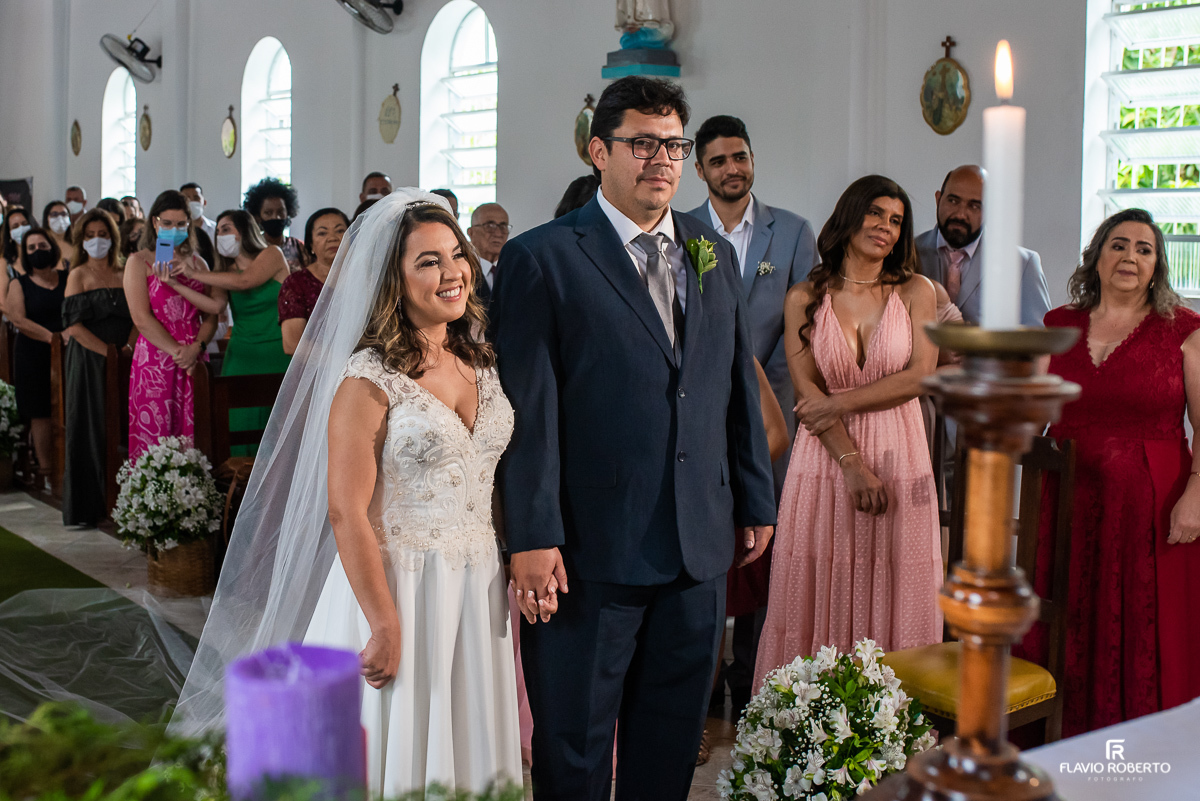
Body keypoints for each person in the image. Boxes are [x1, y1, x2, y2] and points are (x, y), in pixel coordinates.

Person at [173, 190, 523, 795]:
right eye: (428, 261)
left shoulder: (479, 360)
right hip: (398, 585)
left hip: (477, 581)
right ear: (393, 279)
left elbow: (484, 478)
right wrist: (384, 622)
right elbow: (345, 509)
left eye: (455, 255)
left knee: (466, 736)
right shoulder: (367, 378)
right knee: (397, 743)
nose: (452, 272)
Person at [495, 76, 776, 799]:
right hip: (590, 550)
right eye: (643, 143)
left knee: (672, 739)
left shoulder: (708, 249)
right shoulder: (544, 257)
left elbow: (730, 385)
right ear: (599, 150)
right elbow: (527, 412)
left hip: (696, 543)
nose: (663, 159)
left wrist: (754, 496)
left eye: (673, 144)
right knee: (576, 743)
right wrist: (531, 535)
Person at [1014, 208, 1200, 737]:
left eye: (1145, 249)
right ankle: (1056, 733)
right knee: (1067, 613)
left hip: (1151, 501)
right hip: (1065, 497)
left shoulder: (1185, 331)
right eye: (1119, 244)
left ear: (1157, 266)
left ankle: (1140, 744)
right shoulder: (1059, 325)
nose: (1131, 257)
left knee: (1143, 625)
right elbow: (1032, 410)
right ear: (1097, 256)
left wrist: (1197, 494)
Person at [754, 175, 944, 689]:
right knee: (819, 586)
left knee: (897, 584)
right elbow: (806, 398)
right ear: (850, 215)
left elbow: (921, 375)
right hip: (824, 464)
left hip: (901, 455)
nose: (885, 226)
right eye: (876, 213)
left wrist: (839, 402)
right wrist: (852, 465)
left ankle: (894, 730)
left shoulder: (915, 290)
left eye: (896, 220)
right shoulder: (804, 297)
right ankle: (805, 735)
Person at [685, 114, 819, 714]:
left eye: (740, 157)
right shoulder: (681, 231)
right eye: (718, 161)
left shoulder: (790, 232)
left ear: (752, 159)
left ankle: (755, 678)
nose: (732, 169)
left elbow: (811, 327)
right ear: (700, 170)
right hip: (704, 412)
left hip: (777, 416)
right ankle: (702, 677)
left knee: (772, 540)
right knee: (710, 540)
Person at [179, 210, 289, 454]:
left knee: (279, 430)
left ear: (245, 231)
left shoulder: (272, 254)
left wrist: (192, 273)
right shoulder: (224, 271)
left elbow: (245, 282)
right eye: (218, 231)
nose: (220, 235)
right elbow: (216, 306)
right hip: (242, 355)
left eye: (226, 229)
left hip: (278, 351)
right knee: (239, 425)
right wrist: (176, 284)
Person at [125, 191, 222, 459]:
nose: (173, 229)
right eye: (167, 223)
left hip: (194, 350)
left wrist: (196, 347)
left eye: (180, 224)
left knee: (195, 430)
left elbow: (211, 315)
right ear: (155, 223)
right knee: (156, 430)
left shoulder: (197, 262)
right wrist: (179, 353)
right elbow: (141, 318)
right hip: (157, 354)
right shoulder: (139, 261)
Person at [61, 208, 134, 527]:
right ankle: (89, 506)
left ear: (113, 238)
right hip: (90, 360)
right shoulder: (78, 274)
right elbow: (74, 326)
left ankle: (125, 500)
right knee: (91, 426)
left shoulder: (123, 271)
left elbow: (138, 316)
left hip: (126, 357)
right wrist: (107, 353)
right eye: (90, 236)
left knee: (122, 425)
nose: (97, 241)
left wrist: (127, 348)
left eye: (103, 235)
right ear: (81, 240)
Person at [914, 165, 1050, 327]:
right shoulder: (909, 252)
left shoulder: (1022, 264)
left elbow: (1038, 341)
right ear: (938, 199)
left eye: (974, 206)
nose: (960, 214)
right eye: (953, 201)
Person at [7, 227, 67, 479]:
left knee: (67, 407)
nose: (37, 252)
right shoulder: (18, 284)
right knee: (40, 412)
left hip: (67, 350)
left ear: (52, 247)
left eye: (42, 246)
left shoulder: (67, 278)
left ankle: (68, 466)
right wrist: (51, 338)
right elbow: (17, 319)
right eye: (31, 248)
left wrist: (64, 339)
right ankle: (46, 470)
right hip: (33, 353)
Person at [279, 208, 348, 355]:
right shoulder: (296, 283)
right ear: (310, 244)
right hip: (317, 372)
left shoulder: (367, 279)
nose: (332, 238)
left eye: (340, 231)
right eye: (322, 233)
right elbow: (292, 344)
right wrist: (345, 361)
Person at [244, 177, 308, 273]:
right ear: (258, 216)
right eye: (268, 212)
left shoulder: (299, 247)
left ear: (288, 212)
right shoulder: (252, 248)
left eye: (280, 212)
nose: (276, 217)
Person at [466, 202, 509, 311]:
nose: (498, 233)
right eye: (490, 226)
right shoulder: (463, 271)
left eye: (503, 226)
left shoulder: (514, 271)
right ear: (471, 233)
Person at [0, 206, 32, 310]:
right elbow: (3, 302)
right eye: (15, 226)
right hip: (16, 320)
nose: (21, 229)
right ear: (9, 234)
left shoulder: (46, 257)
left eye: (24, 224)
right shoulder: (5, 263)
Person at [43, 201, 74, 266]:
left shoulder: (76, 244)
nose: (60, 218)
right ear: (47, 219)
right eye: (54, 214)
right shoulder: (41, 245)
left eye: (63, 214)